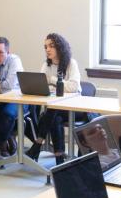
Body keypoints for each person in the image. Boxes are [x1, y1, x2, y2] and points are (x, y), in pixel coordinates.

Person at [26, 33, 81, 165]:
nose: (47, 50)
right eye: (45, 47)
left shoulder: (70, 63)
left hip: (74, 108)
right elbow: (41, 84)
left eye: (51, 46)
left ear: (60, 47)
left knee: (51, 112)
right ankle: (59, 158)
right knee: (54, 117)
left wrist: (52, 80)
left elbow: (74, 86)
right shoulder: (47, 65)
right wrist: (56, 85)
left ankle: (37, 145)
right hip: (56, 109)